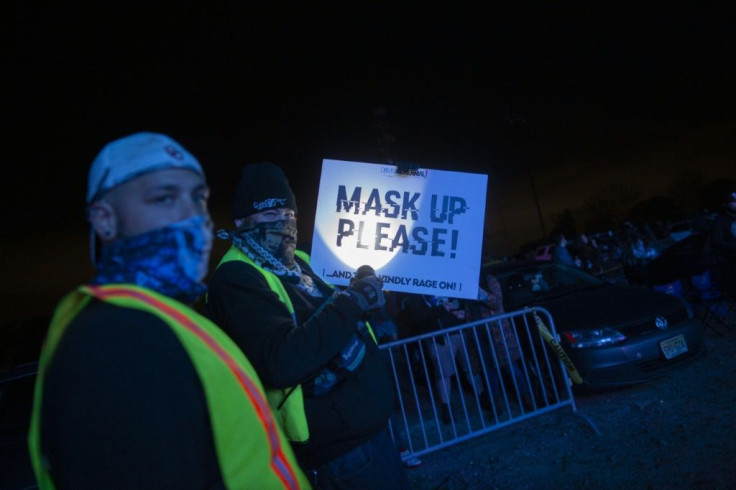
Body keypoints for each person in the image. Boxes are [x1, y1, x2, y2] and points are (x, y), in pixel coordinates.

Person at [28, 133, 309, 489]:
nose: (193, 218)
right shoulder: (110, 342)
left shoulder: (160, 321)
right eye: (164, 198)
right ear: (104, 220)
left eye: (198, 200)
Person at [206, 162, 409, 489]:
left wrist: (402, 182)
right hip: (339, 456)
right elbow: (281, 361)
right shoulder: (237, 277)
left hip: (373, 432)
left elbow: (338, 319)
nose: (283, 223)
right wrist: (353, 301)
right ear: (242, 222)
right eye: (270, 215)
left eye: (289, 214)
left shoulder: (302, 261)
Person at [398, 294, 491, 425]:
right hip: (439, 338)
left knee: (471, 367)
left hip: (460, 331)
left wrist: (462, 312)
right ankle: (447, 408)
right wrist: (442, 310)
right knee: (443, 373)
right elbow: (417, 316)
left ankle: (482, 397)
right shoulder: (415, 295)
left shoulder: (448, 284)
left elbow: (461, 302)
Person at [478, 275, 533, 412]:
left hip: (497, 331)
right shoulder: (465, 284)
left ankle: (526, 398)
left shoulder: (490, 280)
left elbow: (496, 302)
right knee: (488, 368)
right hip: (479, 332)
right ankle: (495, 404)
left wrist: (478, 291)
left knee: (510, 365)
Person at [707, 189, 736, 292]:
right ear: (725, 204)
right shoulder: (720, 221)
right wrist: (733, 246)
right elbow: (716, 241)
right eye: (733, 202)